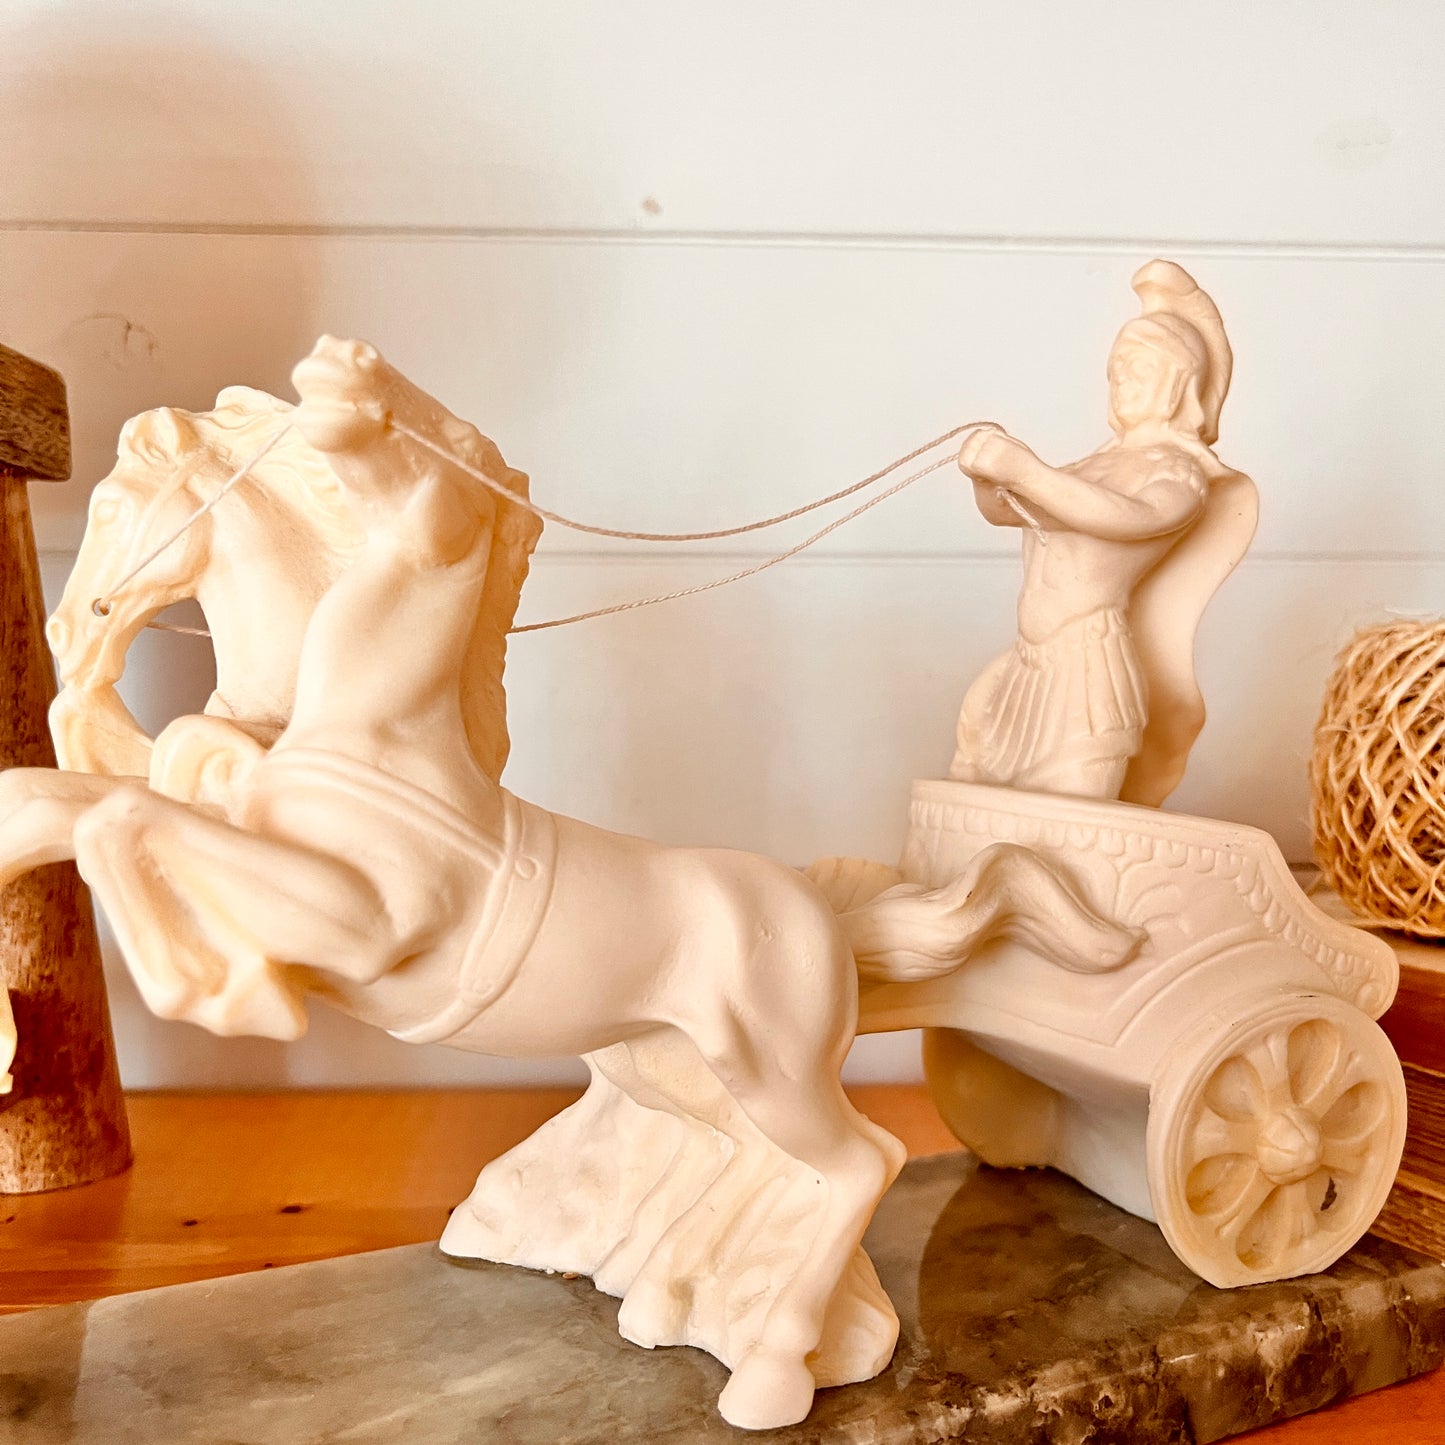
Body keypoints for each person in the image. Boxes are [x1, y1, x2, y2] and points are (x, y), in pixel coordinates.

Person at [951, 261, 1258, 805]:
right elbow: (1013, 512)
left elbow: (1131, 518)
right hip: (1027, 663)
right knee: (974, 789)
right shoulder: (1087, 469)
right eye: (1116, 370)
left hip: (1087, 667)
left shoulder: (1178, 474)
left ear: (1178, 384)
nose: (1122, 382)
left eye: (1139, 369)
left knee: (1075, 820)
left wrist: (1026, 472)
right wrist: (988, 480)